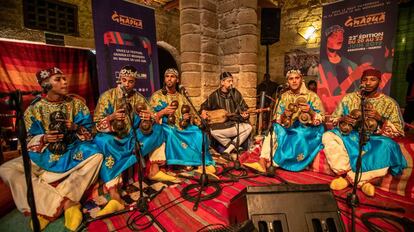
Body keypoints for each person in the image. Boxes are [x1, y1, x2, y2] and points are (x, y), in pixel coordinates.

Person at [0, 67, 103, 231]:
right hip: (41, 156)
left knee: (97, 156)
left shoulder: (76, 105)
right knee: (6, 169)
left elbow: (91, 132)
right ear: (46, 85)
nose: (65, 82)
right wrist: (43, 138)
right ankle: (64, 203)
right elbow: (24, 141)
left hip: (70, 153)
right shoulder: (34, 109)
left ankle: (45, 208)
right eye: (58, 79)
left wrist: (76, 127)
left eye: (64, 78)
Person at [93, 65, 175, 216]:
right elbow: (96, 124)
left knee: (158, 129)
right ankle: (115, 196)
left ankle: (154, 171)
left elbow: (154, 116)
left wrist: (147, 116)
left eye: (131, 81)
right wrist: (111, 118)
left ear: (134, 82)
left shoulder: (139, 97)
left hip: (132, 136)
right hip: (113, 138)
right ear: (120, 79)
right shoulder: (107, 96)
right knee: (103, 142)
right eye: (124, 80)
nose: (127, 84)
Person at [322, 69, 407, 197]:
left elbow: (398, 130)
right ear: (361, 82)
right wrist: (341, 119)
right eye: (365, 80)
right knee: (328, 136)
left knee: (389, 146)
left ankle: (348, 179)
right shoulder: (349, 98)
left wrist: (381, 119)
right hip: (350, 136)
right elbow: (333, 119)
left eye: (373, 80)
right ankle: (357, 180)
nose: (368, 83)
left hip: (374, 139)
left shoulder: (389, 103)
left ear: (380, 82)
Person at [243, 70, 325, 173]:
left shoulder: (312, 96)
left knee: (299, 134)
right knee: (274, 128)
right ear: (287, 82)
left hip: (308, 129)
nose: (294, 81)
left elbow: (321, 118)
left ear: (301, 80)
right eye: (291, 79)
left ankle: (275, 163)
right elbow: (276, 117)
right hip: (289, 126)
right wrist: (284, 115)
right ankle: (262, 161)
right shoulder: (283, 96)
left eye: (297, 78)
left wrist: (310, 112)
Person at [149, 68, 216, 177]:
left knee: (198, 133)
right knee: (171, 133)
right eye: (167, 76)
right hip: (166, 126)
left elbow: (193, 114)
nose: (169, 79)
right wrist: (163, 112)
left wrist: (188, 117)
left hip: (182, 126)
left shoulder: (182, 97)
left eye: (172, 76)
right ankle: (186, 162)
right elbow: (151, 116)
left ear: (177, 80)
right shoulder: (157, 96)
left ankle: (201, 163)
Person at [200, 71, 252, 157]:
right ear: (222, 82)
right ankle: (237, 148)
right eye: (229, 81)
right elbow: (204, 106)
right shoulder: (215, 95)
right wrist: (203, 111)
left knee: (249, 127)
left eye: (232, 81)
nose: (231, 83)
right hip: (222, 127)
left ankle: (228, 150)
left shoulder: (236, 93)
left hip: (235, 124)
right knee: (212, 131)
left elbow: (244, 107)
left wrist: (246, 115)